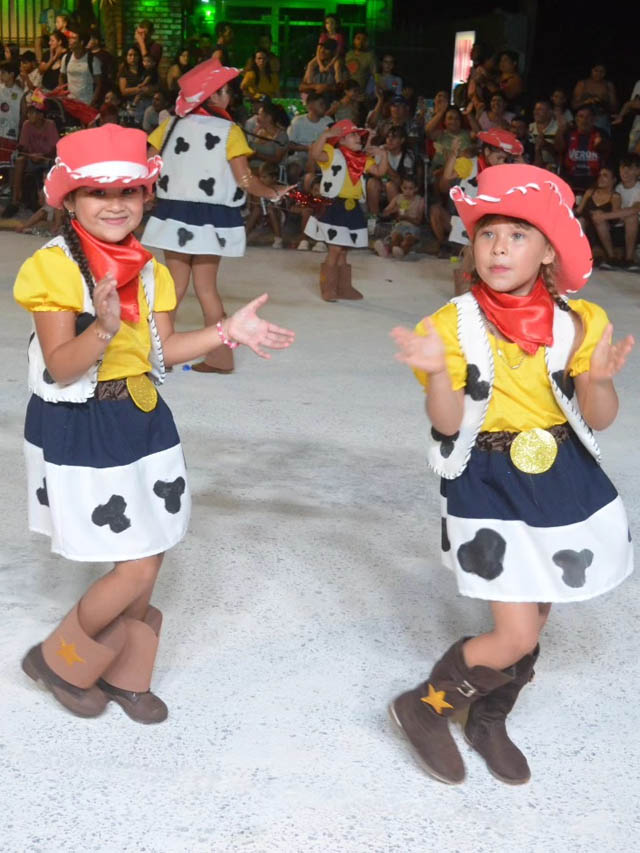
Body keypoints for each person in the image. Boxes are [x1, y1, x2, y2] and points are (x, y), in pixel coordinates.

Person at [13, 124, 294, 724]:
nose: (115, 205)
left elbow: (163, 350)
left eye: (128, 192)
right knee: (135, 562)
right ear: (69, 200)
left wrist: (225, 332)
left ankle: (124, 671)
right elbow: (62, 367)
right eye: (97, 192)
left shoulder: (150, 270)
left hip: (141, 416)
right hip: (82, 423)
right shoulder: (53, 268)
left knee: (154, 548)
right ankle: (56, 659)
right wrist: (104, 328)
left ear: (146, 196)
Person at [389, 163, 634, 786]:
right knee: (516, 632)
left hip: (561, 476)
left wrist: (598, 380)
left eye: (518, 235)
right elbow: (449, 422)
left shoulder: (578, 321)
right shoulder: (449, 325)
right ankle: (426, 706)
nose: (499, 247)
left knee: (540, 611)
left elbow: (598, 419)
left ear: (549, 251)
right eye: (488, 233)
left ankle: (489, 717)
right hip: (488, 479)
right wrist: (437, 374)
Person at [142, 58, 292, 374]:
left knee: (173, 289)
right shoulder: (230, 130)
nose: (230, 97)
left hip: (176, 213)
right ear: (213, 95)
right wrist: (272, 192)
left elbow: (148, 164)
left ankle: (162, 356)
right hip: (212, 217)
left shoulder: (170, 125)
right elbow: (245, 179)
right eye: (226, 92)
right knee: (207, 290)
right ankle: (220, 358)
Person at [304, 118, 388, 301]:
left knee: (344, 249)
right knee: (335, 249)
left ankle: (344, 287)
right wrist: (324, 136)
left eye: (358, 135)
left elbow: (380, 172)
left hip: (352, 207)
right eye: (353, 135)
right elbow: (315, 154)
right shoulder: (332, 154)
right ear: (341, 139)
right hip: (334, 206)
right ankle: (328, 287)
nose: (358, 137)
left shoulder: (362, 159)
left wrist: (383, 154)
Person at [1, 102, 58, 218]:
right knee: (19, 160)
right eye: (29, 113)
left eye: (32, 113)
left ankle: (47, 203)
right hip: (31, 159)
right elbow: (24, 147)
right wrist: (27, 153)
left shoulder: (50, 125)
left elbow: (55, 148)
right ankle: (15, 200)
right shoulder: (26, 125)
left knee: (52, 164)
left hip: (47, 159)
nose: (29, 115)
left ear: (41, 115)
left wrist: (42, 156)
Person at [575, 166, 620, 268]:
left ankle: (611, 257)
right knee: (580, 220)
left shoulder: (615, 197)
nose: (601, 178)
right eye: (600, 175)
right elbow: (578, 211)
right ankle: (581, 255)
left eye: (605, 176)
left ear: (613, 180)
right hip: (587, 230)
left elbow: (615, 219)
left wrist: (602, 215)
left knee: (599, 220)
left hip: (604, 232)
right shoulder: (590, 192)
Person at [286, 92, 332, 184]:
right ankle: (293, 190)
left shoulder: (328, 121)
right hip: (301, 155)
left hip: (321, 155)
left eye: (324, 104)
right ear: (310, 105)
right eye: (321, 104)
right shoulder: (298, 121)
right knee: (293, 169)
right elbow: (289, 144)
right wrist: (308, 148)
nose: (324, 107)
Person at [374, 174, 424, 258]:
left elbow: (419, 221)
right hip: (400, 225)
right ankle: (387, 249)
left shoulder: (419, 200)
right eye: (405, 188)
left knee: (409, 239)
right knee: (396, 236)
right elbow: (385, 212)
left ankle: (402, 251)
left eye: (411, 188)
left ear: (416, 189)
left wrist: (406, 217)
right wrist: (395, 209)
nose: (407, 191)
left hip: (413, 227)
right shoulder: (398, 198)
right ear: (401, 188)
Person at [60, 27, 103, 107]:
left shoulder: (92, 61)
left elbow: (99, 84)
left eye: (73, 38)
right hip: (70, 103)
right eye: (69, 38)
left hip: (86, 103)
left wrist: (92, 102)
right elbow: (61, 76)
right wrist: (63, 93)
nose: (69, 40)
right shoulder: (66, 58)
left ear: (81, 42)